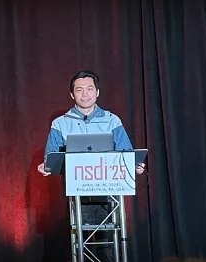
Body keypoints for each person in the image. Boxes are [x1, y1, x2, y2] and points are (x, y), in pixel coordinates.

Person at [38, 70, 145, 262]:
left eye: (89, 89)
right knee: (78, 243)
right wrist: (47, 166)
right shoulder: (60, 124)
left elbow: (126, 152)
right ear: (72, 94)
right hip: (77, 193)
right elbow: (51, 157)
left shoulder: (112, 120)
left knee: (108, 246)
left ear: (97, 92)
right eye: (79, 90)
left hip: (109, 194)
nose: (85, 94)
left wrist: (134, 165)